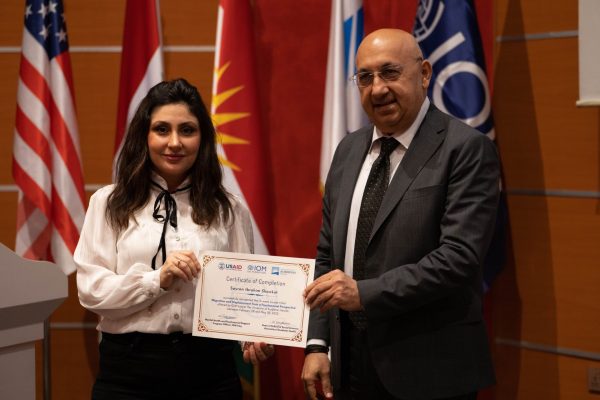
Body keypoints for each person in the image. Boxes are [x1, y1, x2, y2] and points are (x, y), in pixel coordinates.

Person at [302, 29, 499, 400]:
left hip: (429, 368)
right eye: (365, 77)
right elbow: (327, 255)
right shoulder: (348, 149)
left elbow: (458, 259)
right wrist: (317, 344)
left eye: (390, 73)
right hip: (349, 364)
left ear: (424, 74)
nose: (377, 89)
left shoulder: (465, 149)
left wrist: (363, 294)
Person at [75, 78, 273, 400]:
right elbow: (91, 291)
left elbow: (244, 292)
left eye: (187, 130)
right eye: (162, 129)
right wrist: (157, 280)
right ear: (144, 135)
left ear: (202, 138)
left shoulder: (229, 208)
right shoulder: (108, 202)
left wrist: (253, 334)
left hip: (210, 372)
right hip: (128, 372)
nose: (175, 142)